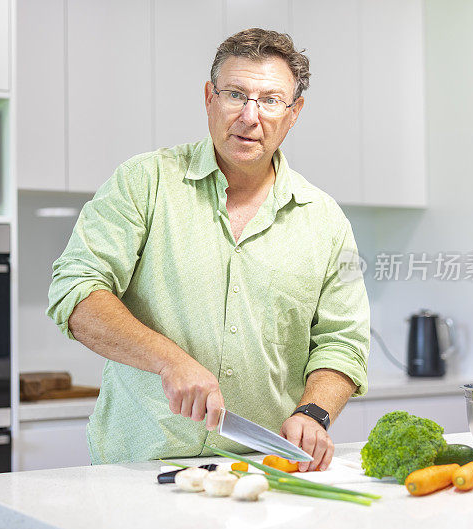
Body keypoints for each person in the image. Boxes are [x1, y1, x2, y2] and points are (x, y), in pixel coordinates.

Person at [47, 28, 370, 471]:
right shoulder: (143, 182)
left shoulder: (329, 221)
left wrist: (314, 412)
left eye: (271, 100)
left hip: (264, 468)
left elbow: (344, 342)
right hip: (139, 466)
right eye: (236, 94)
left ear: (294, 113)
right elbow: (75, 291)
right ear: (209, 98)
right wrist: (169, 361)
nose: (250, 116)